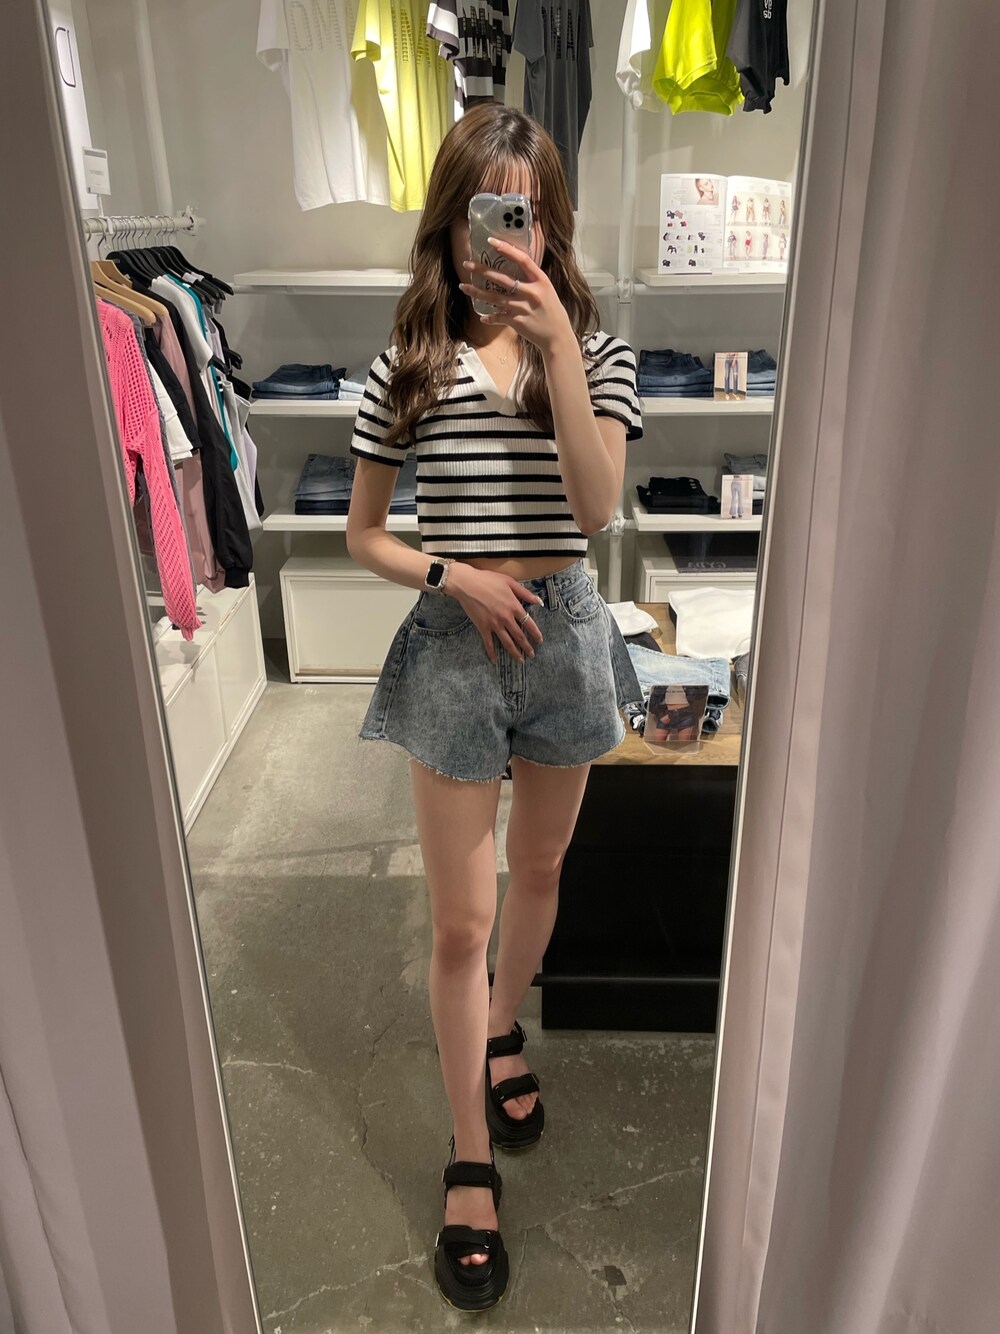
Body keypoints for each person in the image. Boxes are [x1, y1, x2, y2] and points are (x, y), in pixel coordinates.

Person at [345, 103, 644, 1312]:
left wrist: (558, 342)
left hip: (564, 631)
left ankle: (503, 1025)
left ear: (551, 223)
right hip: (455, 646)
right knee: (460, 920)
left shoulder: (600, 354)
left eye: (525, 214)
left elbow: (596, 505)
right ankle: (469, 1154)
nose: (504, 239)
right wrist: (451, 574)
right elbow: (365, 531)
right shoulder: (409, 363)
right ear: (452, 222)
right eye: (486, 213)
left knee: (542, 867)